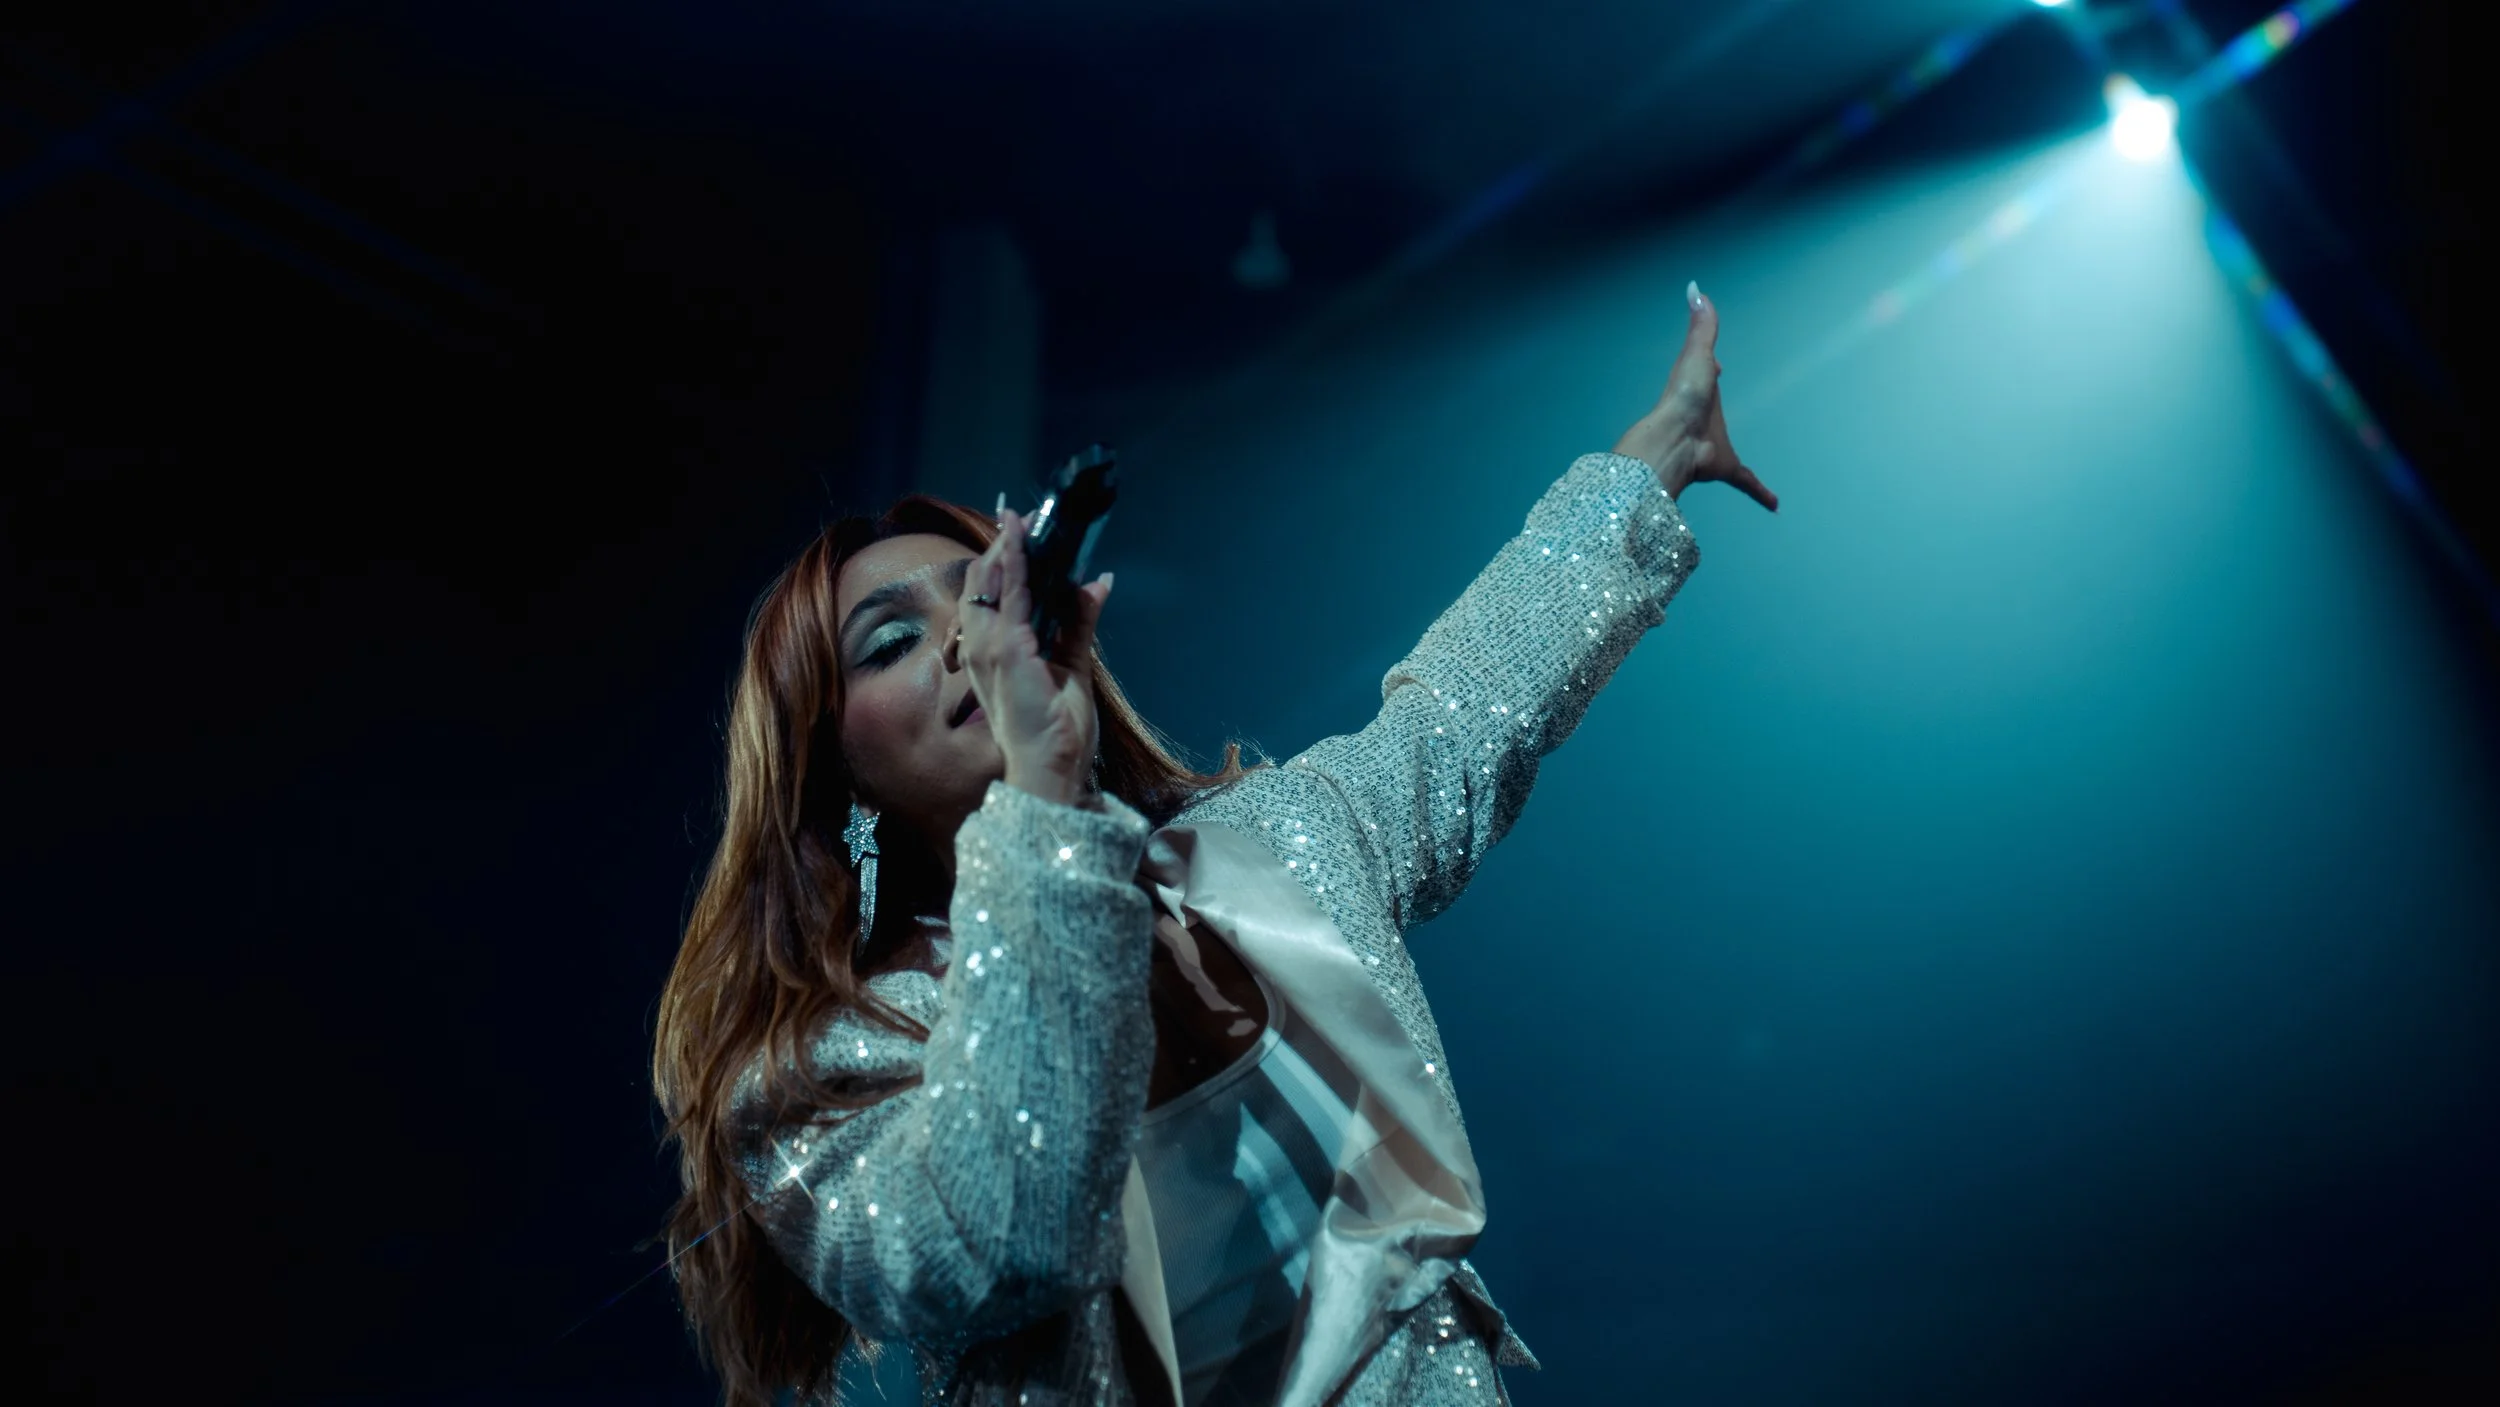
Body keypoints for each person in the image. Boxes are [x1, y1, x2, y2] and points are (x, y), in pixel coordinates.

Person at [653, 284, 1778, 1407]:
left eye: (981, 593)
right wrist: (1044, 803)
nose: (965, 636)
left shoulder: (1263, 849)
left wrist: (1651, 461)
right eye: (893, 638)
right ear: (828, 770)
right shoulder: (821, 1067)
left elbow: (1462, 711)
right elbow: (999, 1242)